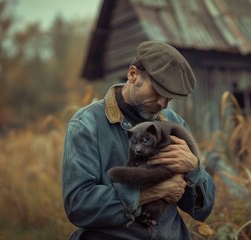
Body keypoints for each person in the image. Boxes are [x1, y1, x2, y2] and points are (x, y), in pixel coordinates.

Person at [62, 41, 215, 240]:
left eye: (169, 98)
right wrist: (152, 192)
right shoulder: (87, 125)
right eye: (158, 91)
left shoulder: (174, 123)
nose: (162, 103)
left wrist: (193, 169)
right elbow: (79, 206)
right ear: (133, 74)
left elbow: (202, 211)